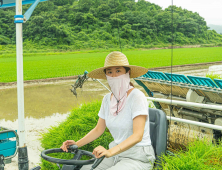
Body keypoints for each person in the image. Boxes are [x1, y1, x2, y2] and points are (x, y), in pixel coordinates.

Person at [60, 51, 155, 170]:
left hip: (137, 156)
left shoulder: (137, 97)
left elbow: (138, 135)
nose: (114, 75)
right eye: (110, 72)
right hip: (116, 153)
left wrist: (110, 152)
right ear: (106, 76)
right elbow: (98, 129)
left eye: (118, 70)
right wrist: (75, 144)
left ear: (127, 72)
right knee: (84, 168)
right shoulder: (107, 99)